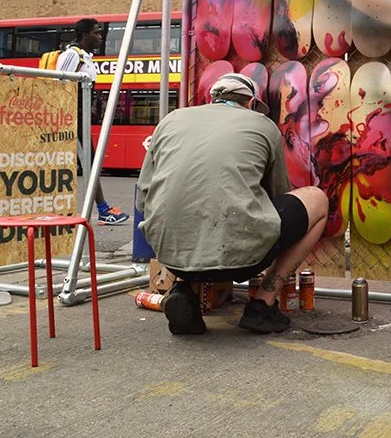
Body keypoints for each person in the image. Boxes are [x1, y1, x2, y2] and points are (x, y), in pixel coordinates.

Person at [137, 73, 329, 335]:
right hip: (245, 259)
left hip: (169, 253)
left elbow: (143, 197)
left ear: (212, 99)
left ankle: (183, 291)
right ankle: (263, 302)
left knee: (184, 204)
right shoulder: (262, 124)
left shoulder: (172, 120)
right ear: (251, 104)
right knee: (318, 201)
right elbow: (278, 195)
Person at [55, 18, 129, 225]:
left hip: (80, 116)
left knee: (89, 164)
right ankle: (103, 211)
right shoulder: (72, 55)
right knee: (89, 163)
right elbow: (58, 85)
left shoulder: (86, 57)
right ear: (84, 35)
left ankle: (102, 209)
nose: (100, 36)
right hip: (70, 117)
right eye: (96, 33)